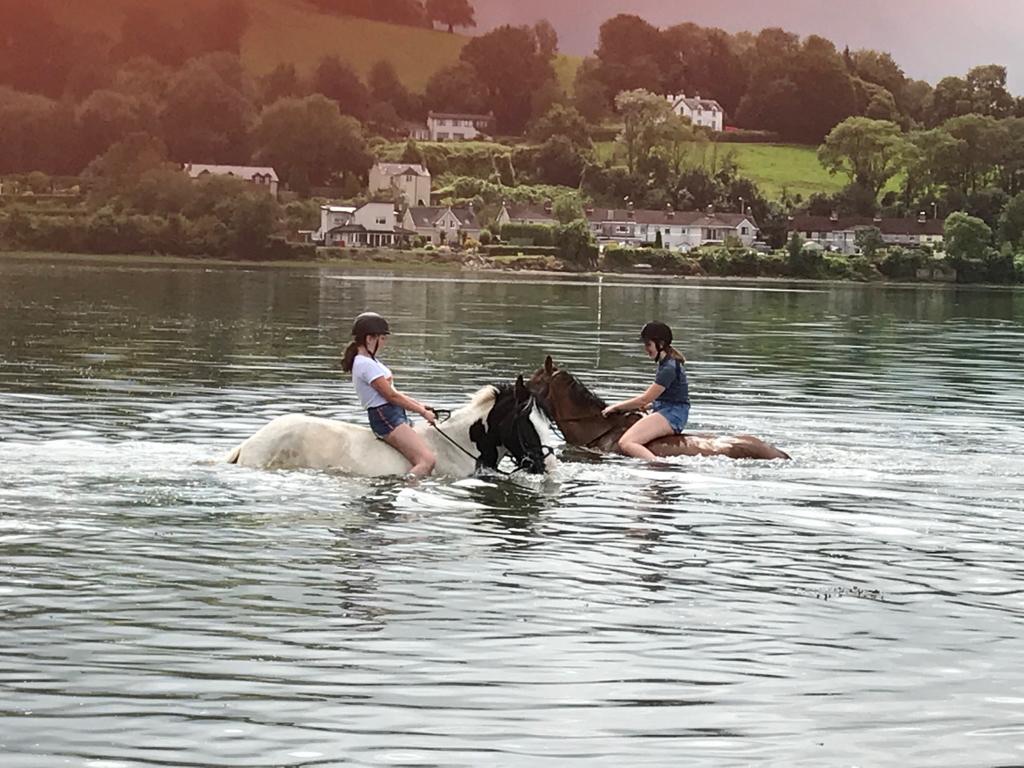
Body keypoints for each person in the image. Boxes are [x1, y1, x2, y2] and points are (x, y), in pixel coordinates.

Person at [341, 312, 437, 477]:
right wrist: (422, 412)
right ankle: (408, 494)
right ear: (370, 339)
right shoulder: (366, 365)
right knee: (427, 461)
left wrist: (419, 405)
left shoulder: (369, 361)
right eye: (382, 338)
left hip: (392, 413)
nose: (384, 343)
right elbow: (391, 396)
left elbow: (394, 393)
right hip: (386, 416)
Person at [601, 321, 690, 461]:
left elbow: (644, 398)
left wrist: (616, 407)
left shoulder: (668, 368)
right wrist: (650, 406)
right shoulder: (667, 363)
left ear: (660, 344)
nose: (646, 349)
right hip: (669, 410)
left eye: (648, 345)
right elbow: (670, 396)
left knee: (627, 443)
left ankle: (657, 466)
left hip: (673, 414)